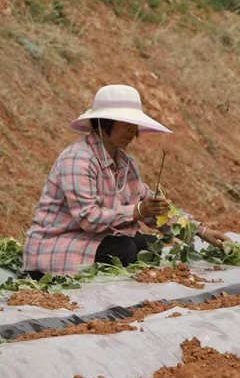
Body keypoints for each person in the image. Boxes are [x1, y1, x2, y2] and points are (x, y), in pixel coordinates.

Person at [22, 85, 228, 278]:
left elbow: (152, 208)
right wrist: (138, 211)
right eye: (126, 124)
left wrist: (201, 232)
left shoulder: (124, 162)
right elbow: (88, 219)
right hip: (56, 245)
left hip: (92, 240)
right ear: (104, 123)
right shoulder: (78, 160)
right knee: (125, 250)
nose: (133, 131)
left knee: (148, 246)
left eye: (134, 125)